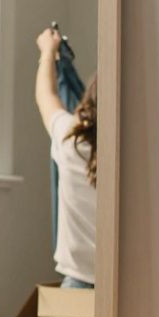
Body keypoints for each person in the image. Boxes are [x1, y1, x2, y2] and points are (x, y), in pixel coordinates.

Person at [34, 28, 97, 289]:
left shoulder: (72, 140)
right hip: (132, 289)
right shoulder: (142, 158)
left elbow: (46, 96)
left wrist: (48, 51)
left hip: (77, 287)